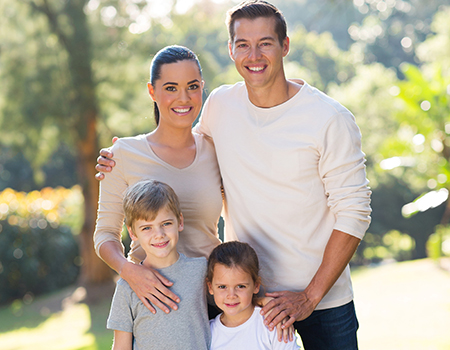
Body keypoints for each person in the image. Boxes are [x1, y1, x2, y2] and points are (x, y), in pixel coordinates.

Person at [96, 1, 372, 348]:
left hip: (320, 299)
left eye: (265, 43)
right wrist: (124, 153)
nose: (253, 55)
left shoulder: (329, 118)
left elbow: (355, 212)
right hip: (240, 296)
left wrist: (310, 297)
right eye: (243, 44)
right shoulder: (222, 107)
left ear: (285, 46)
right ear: (231, 50)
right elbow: (179, 142)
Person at [93, 45, 223, 315]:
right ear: (152, 91)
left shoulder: (216, 149)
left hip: (214, 301)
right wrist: (130, 273)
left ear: (202, 88)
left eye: (193, 86)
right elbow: (105, 234)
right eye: (171, 88)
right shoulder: (124, 155)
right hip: (154, 299)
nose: (184, 98)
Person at [107, 179, 210, 350]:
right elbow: (121, 346)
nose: (159, 234)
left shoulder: (201, 270)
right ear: (132, 232)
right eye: (147, 228)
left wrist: (261, 300)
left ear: (180, 222)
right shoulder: (127, 287)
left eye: (166, 224)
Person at [207, 241, 301, 350]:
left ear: (256, 285)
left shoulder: (272, 323)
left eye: (240, 286)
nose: (231, 295)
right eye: (222, 287)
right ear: (210, 287)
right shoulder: (208, 332)